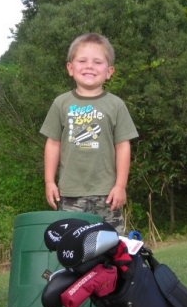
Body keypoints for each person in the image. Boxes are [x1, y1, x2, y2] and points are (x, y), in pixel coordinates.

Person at [39, 33, 139, 235]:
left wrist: (120, 186)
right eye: (82, 60)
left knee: (111, 249)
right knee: (72, 250)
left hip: (107, 194)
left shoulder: (116, 105)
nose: (89, 66)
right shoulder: (61, 103)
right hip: (70, 194)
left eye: (97, 62)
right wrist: (49, 181)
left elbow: (123, 147)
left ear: (109, 71)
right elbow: (53, 144)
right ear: (70, 68)